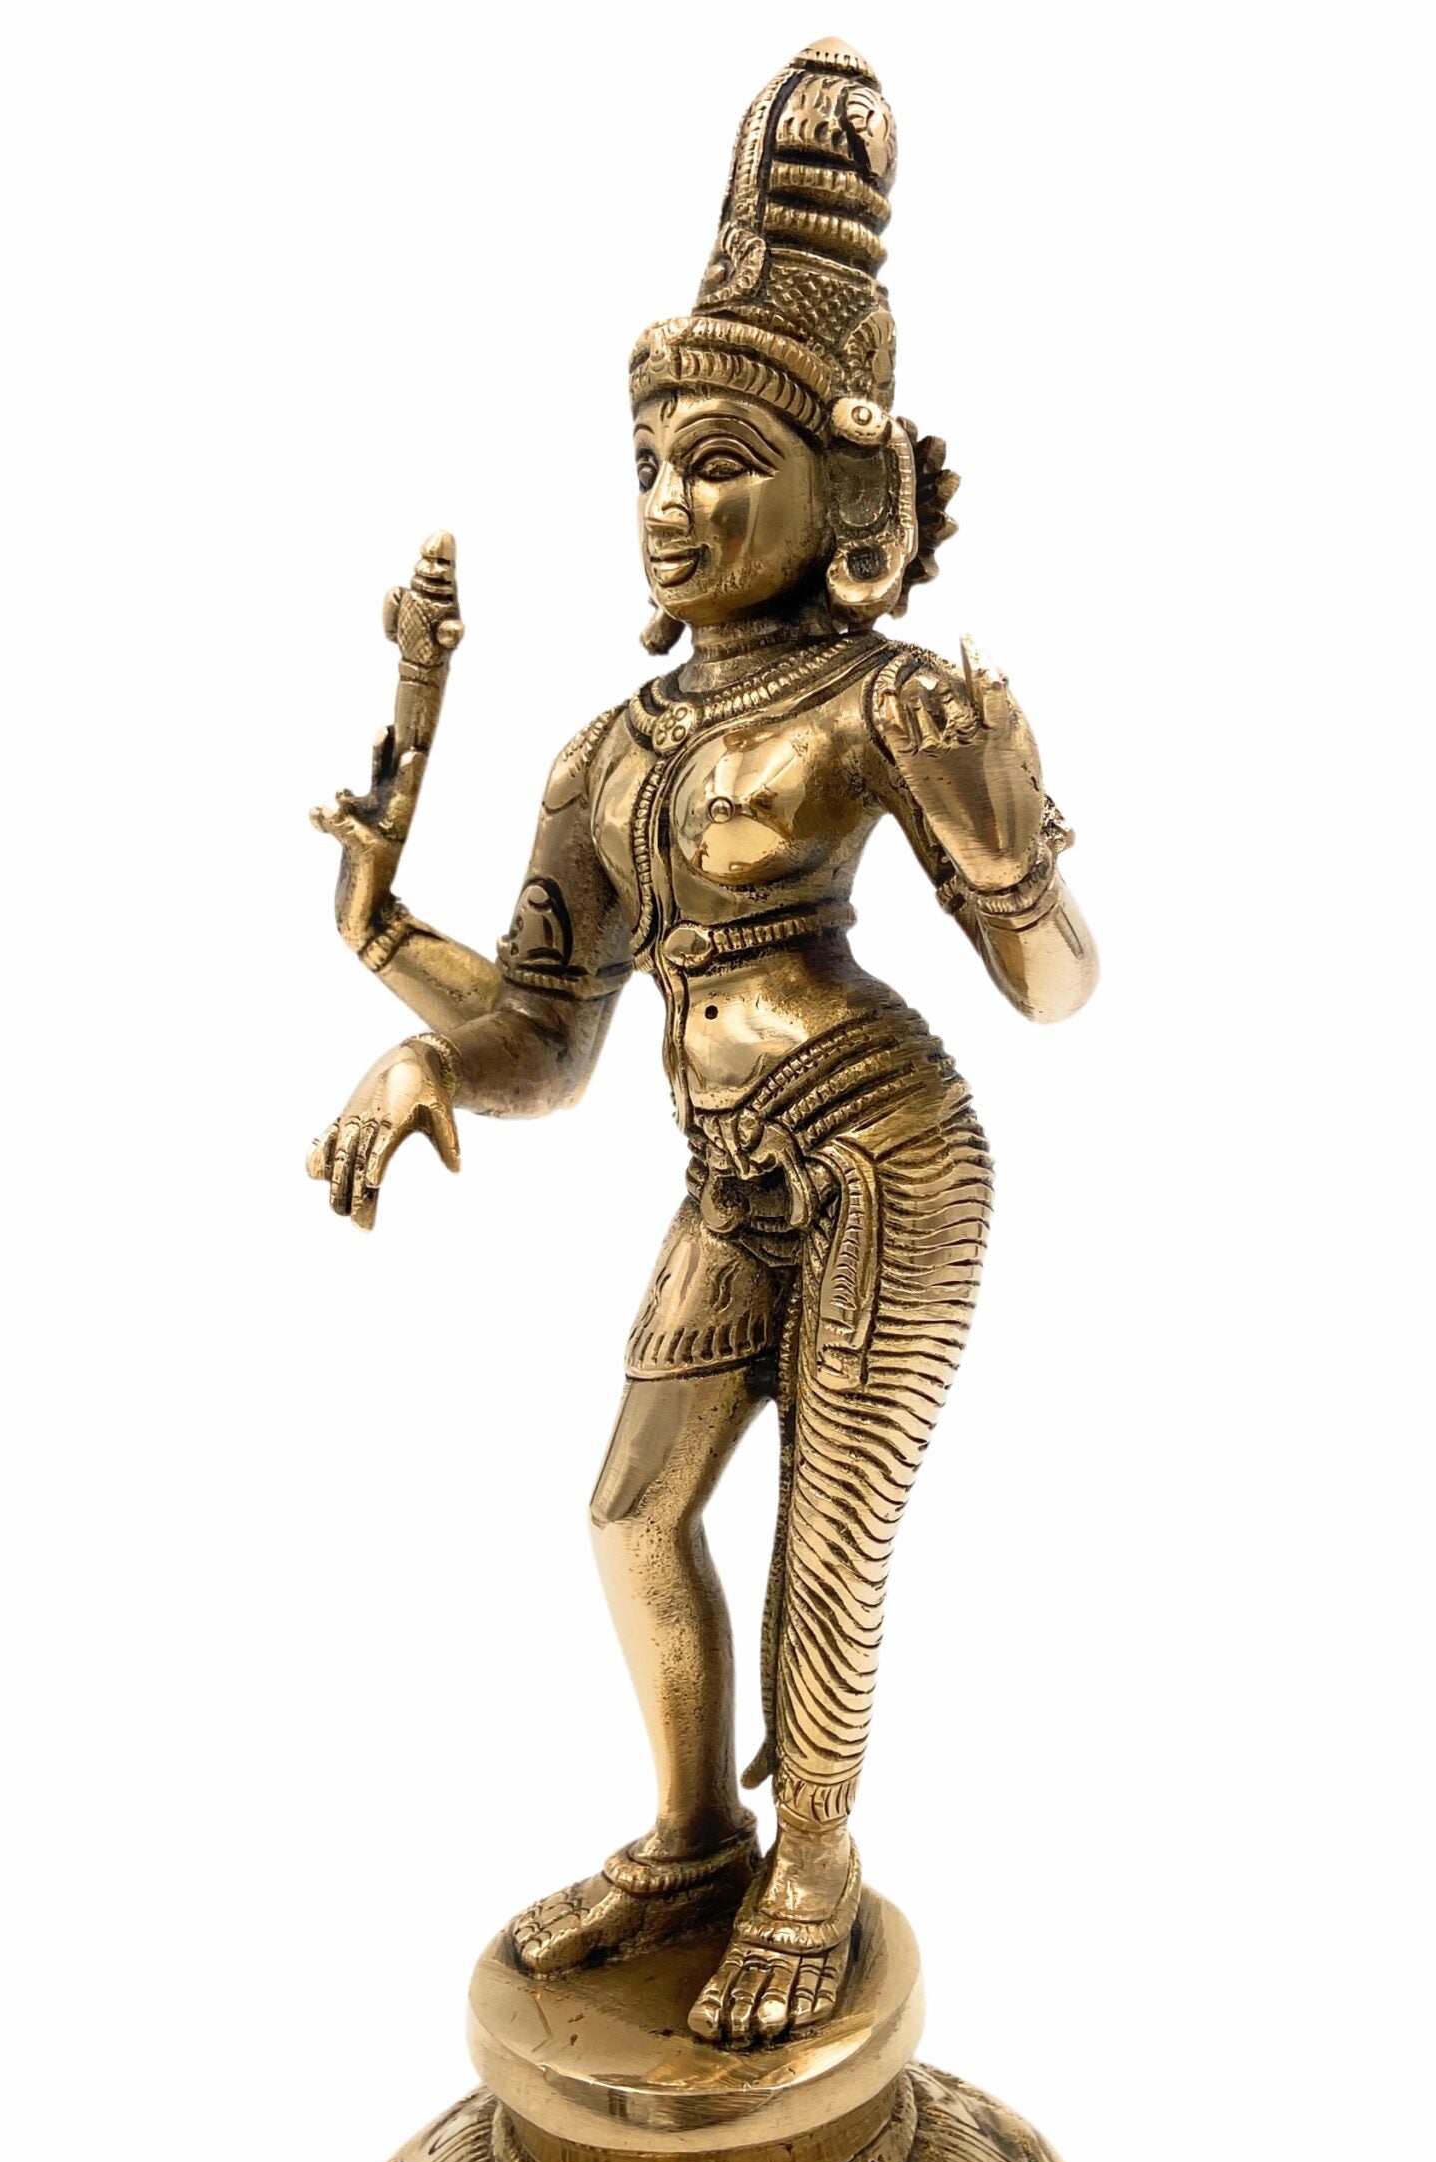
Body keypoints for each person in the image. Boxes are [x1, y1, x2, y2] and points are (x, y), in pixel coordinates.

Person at [305, 39, 1095, 2046]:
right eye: (650, 465)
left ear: (848, 497)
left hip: (885, 1148)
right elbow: (548, 1038)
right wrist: (398, 987)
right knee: (632, 1509)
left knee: (826, 1524)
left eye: (722, 462)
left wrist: (1009, 857)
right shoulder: (610, 752)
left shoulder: (881, 702)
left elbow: (1058, 990)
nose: (671, 503)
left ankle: (810, 1867)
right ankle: (688, 1836)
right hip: (727, 1169)